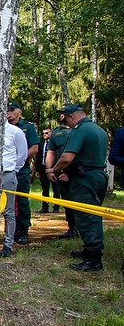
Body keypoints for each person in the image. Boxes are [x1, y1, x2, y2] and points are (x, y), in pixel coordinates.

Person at [46, 104, 109, 272]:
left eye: (66, 118)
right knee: (92, 214)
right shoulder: (99, 130)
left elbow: (67, 157)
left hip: (84, 179)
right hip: (99, 176)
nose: (66, 122)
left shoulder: (80, 130)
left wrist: (54, 169)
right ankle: (89, 250)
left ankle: (94, 259)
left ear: (72, 117)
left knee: (87, 217)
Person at [6, 102, 39, 244]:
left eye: (12, 110)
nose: (9, 112)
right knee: (7, 204)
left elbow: (35, 148)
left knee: (22, 201)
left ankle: (23, 230)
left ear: (19, 111)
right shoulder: (2, 127)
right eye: (7, 110)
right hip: (6, 171)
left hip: (21, 171)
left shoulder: (27, 127)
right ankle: (10, 232)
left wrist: (19, 157)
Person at [0, 121, 29, 257]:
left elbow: (22, 154)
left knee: (8, 212)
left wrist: (12, 170)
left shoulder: (15, 132)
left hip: (7, 175)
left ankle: (8, 245)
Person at [47, 111, 78, 239]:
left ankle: (83, 230)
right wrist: (49, 170)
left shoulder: (79, 130)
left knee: (80, 202)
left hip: (77, 173)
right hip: (60, 173)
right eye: (60, 113)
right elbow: (51, 152)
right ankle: (72, 229)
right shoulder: (56, 132)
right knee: (67, 201)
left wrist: (70, 173)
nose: (61, 115)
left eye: (64, 113)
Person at [35, 127, 60, 213]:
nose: (45, 135)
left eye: (47, 133)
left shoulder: (56, 145)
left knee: (56, 188)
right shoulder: (41, 144)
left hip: (54, 169)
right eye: (43, 133)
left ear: (51, 133)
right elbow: (38, 158)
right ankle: (45, 207)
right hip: (43, 168)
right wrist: (37, 170)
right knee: (45, 189)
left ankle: (56, 207)